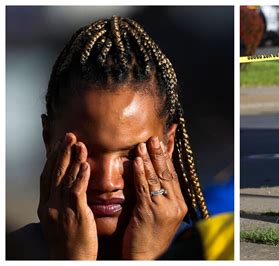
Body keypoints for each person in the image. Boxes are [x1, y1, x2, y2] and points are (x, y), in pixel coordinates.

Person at [7, 16, 211, 260]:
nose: (107, 181)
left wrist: (147, 257)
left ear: (166, 146)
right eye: (86, 152)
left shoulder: (211, 252)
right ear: (49, 140)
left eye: (130, 153)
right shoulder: (14, 252)